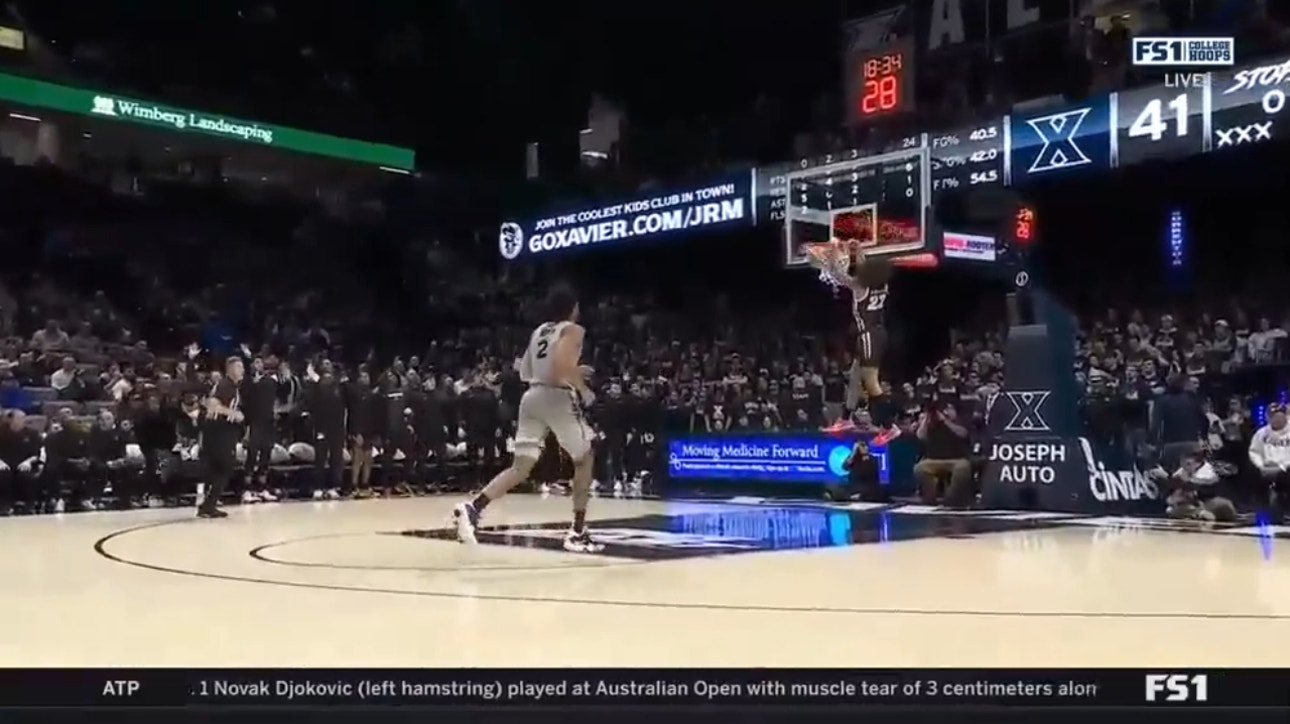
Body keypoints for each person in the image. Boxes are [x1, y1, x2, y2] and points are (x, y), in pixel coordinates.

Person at [453, 284, 602, 553]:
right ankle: (578, 532)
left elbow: (524, 371)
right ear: (572, 309)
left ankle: (473, 508)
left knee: (521, 466)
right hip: (556, 396)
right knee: (586, 456)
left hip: (531, 396)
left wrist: (564, 370)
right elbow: (561, 367)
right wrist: (582, 387)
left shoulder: (539, 331)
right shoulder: (572, 330)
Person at [826, 246, 899, 444]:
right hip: (877, 332)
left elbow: (840, 277)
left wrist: (833, 258)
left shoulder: (860, 286)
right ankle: (846, 418)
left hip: (869, 334)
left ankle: (889, 426)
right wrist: (857, 252)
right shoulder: (883, 284)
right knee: (855, 376)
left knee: (870, 381)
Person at [199, 357, 245, 519]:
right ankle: (208, 505)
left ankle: (207, 504)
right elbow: (211, 403)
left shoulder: (231, 386)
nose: (242, 370)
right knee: (225, 468)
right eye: (239, 367)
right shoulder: (225, 385)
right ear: (230, 369)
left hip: (220, 432)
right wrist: (234, 414)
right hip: (220, 433)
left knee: (218, 469)